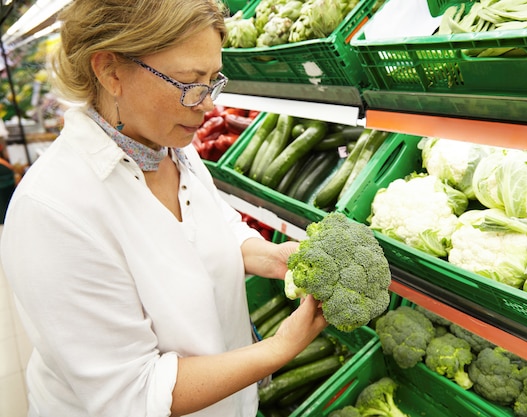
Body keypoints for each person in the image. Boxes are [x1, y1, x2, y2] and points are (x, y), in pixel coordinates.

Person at [0, 1, 328, 416]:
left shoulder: (168, 147)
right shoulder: (52, 211)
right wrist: (280, 347)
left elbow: (209, 225)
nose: (208, 104)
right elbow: (133, 393)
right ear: (110, 71)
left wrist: (268, 255)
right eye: (190, 82)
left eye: (213, 80)